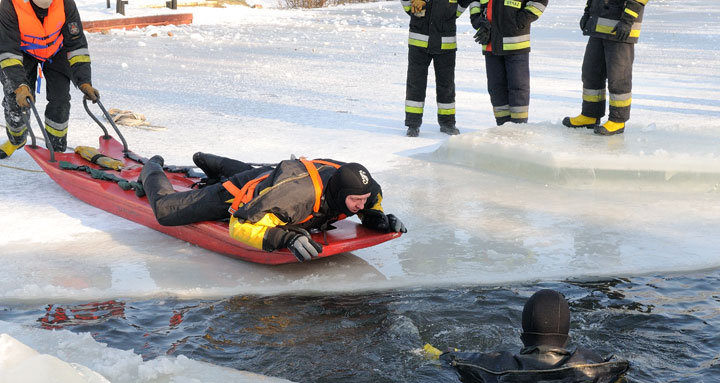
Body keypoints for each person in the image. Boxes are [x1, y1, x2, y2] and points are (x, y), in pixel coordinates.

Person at [138, 153, 407, 262]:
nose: (359, 206)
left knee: (265, 176)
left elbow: (372, 204)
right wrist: (284, 237)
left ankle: (211, 161)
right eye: (356, 202)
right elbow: (240, 225)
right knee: (166, 211)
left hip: (276, 177)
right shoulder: (295, 197)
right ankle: (151, 167)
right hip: (243, 193)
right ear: (341, 193)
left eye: (364, 200)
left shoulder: (366, 191)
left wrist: (376, 217)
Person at [438, 289, 629, 383]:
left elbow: (450, 358)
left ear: (522, 335)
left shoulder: (498, 364)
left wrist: (449, 353)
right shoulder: (597, 364)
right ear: (568, 336)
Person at [0, 0, 98, 159]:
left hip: (56, 50)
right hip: (22, 52)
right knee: (16, 99)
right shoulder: (10, 4)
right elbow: (7, 51)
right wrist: (20, 86)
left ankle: (57, 148)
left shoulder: (66, 3)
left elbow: (76, 45)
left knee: (60, 100)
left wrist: (84, 80)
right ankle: (16, 140)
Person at [562, 0, 648, 135]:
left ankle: (618, 120)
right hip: (598, 26)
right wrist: (587, 12)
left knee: (618, 77)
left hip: (621, 30)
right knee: (591, 73)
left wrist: (627, 21)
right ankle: (590, 114)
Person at [469, 0, 548, 125]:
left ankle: (519, 127)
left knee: (518, 87)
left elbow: (540, 2)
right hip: (491, 43)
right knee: (496, 88)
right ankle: (502, 126)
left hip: (515, 42)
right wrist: (478, 22)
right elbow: (474, 3)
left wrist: (520, 20)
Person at [402, 0, 472, 137]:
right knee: (415, 84)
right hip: (419, 41)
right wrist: (414, 7)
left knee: (446, 86)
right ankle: (413, 124)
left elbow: (462, 4)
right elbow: (406, 4)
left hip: (445, 43)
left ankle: (447, 123)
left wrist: (448, 11)